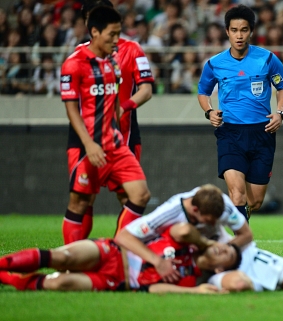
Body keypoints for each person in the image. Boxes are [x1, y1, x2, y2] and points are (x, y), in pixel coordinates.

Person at [59, 5, 151, 245]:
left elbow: (120, 100)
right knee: (81, 201)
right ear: (95, 31)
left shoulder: (113, 61)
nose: (116, 39)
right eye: (112, 34)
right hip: (86, 144)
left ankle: (120, 249)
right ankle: (71, 261)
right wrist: (89, 144)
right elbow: (71, 109)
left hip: (116, 142)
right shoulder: (74, 63)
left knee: (138, 194)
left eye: (118, 33)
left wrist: (119, 124)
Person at [197, 5, 283, 221]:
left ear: (251, 31)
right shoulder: (214, 64)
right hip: (229, 132)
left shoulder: (267, 59)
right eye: (234, 30)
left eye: (244, 30)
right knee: (237, 194)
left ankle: (240, 219)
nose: (239, 35)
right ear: (227, 31)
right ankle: (241, 246)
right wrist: (209, 111)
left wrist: (280, 113)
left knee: (255, 201)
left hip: (262, 132)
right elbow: (203, 92)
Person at [0, 222, 222, 294]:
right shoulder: (187, 243)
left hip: (120, 281)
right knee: (62, 257)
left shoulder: (193, 280)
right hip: (115, 252)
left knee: (61, 282)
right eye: (221, 247)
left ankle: (5, 278)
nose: (220, 249)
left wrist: (192, 291)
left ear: (220, 269)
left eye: (224, 254)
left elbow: (154, 289)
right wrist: (206, 243)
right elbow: (182, 229)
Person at [114, 184, 253, 283]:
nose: (212, 225)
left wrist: (224, 249)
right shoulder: (169, 213)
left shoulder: (224, 207)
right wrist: (158, 262)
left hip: (212, 258)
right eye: (208, 221)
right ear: (195, 209)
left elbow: (246, 235)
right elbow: (123, 236)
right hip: (169, 259)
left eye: (215, 221)